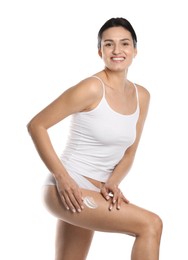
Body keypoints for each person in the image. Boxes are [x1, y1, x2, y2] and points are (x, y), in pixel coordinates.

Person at [27, 17, 163, 260]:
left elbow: (130, 152)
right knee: (150, 225)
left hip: (96, 190)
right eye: (109, 44)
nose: (117, 50)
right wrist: (63, 178)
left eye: (124, 44)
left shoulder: (142, 96)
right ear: (100, 51)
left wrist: (113, 182)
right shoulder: (91, 88)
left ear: (135, 50)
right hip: (67, 188)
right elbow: (37, 125)